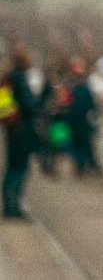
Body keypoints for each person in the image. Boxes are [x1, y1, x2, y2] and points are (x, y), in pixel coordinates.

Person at [2, 44, 40, 218]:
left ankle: (7, 204)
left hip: (11, 129)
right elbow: (29, 104)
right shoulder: (21, 79)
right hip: (22, 129)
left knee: (11, 168)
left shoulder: (8, 78)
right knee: (21, 168)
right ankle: (14, 205)